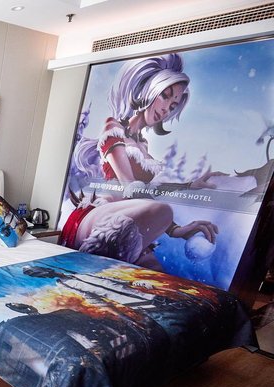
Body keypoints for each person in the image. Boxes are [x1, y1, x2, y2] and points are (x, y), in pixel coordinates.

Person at [60, 54, 222, 269]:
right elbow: (132, 188)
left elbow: (145, 194)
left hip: (127, 228)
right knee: (163, 211)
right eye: (165, 96)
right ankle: (88, 264)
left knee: (157, 277)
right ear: (149, 90)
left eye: (173, 105)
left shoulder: (143, 145)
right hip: (99, 217)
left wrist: (189, 186)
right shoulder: (113, 128)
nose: (166, 109)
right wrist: (173, 227)